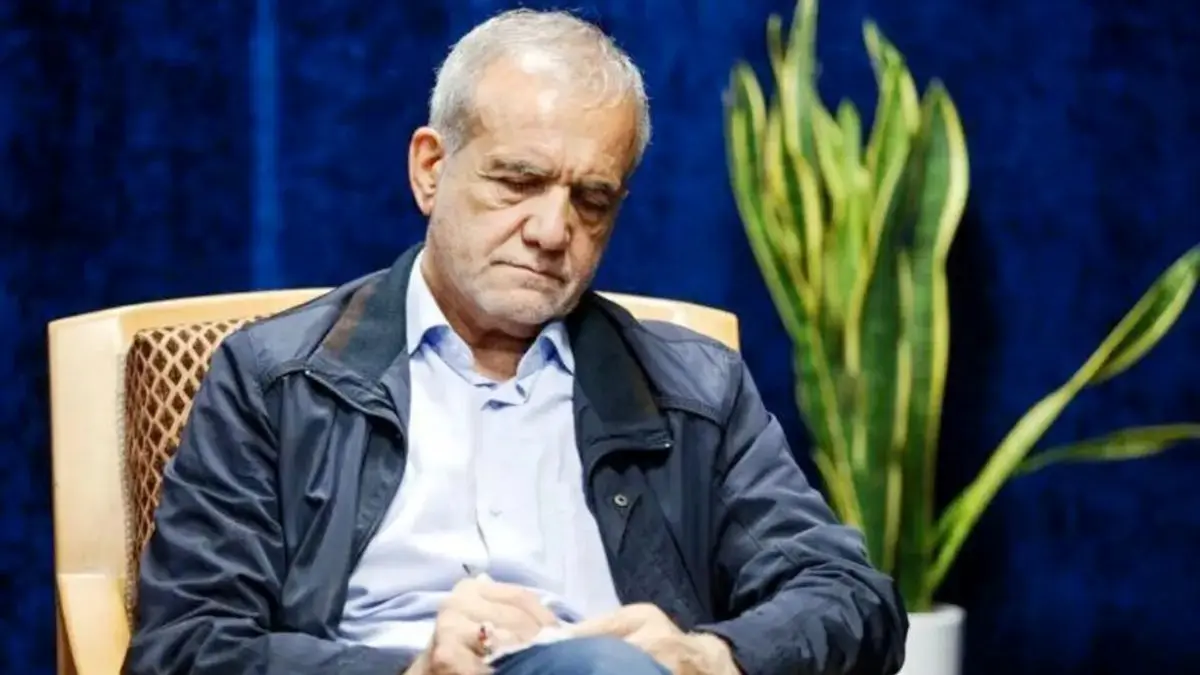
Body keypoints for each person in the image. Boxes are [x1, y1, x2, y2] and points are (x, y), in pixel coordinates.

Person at [124, 8, 907, 675]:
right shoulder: (277, 379)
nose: (552, 231)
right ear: (431, 169)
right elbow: (183, 645)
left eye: (591, 199)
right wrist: (408, 670)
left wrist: (707, 654)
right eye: (520, 181)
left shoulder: (694, 391)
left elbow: (851, 595)